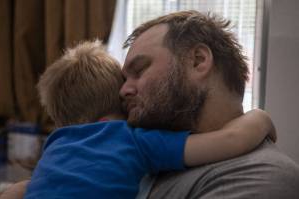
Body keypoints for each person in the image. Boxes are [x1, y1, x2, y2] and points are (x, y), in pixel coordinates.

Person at [1, 40, 274, 199]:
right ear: (123, 100)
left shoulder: (56, 143)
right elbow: (231, 139)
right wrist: (260, 117)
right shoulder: (133, 140)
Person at [119, 10, 299, 198]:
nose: (123, 91)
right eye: (123, 80)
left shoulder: (261, 178)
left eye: (139, 70)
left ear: (198, 61)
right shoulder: (144, 155)